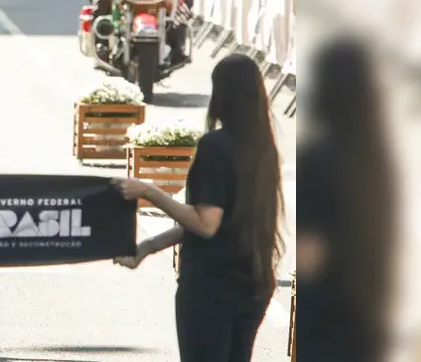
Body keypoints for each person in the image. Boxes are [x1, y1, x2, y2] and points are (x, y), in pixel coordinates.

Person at [112, 53, 285, 362]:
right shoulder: (264, 147)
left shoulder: (215, 147)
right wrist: (149, 246)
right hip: (254, 282)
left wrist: (151, 192)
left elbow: (206, 224)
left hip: (211, 287)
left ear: (221, 95)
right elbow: (217, 220)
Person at [296, 37, 397, 362]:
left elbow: (309, 256)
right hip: (367, 323)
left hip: (325, 326)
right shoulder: (377, 160)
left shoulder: (319, 159)